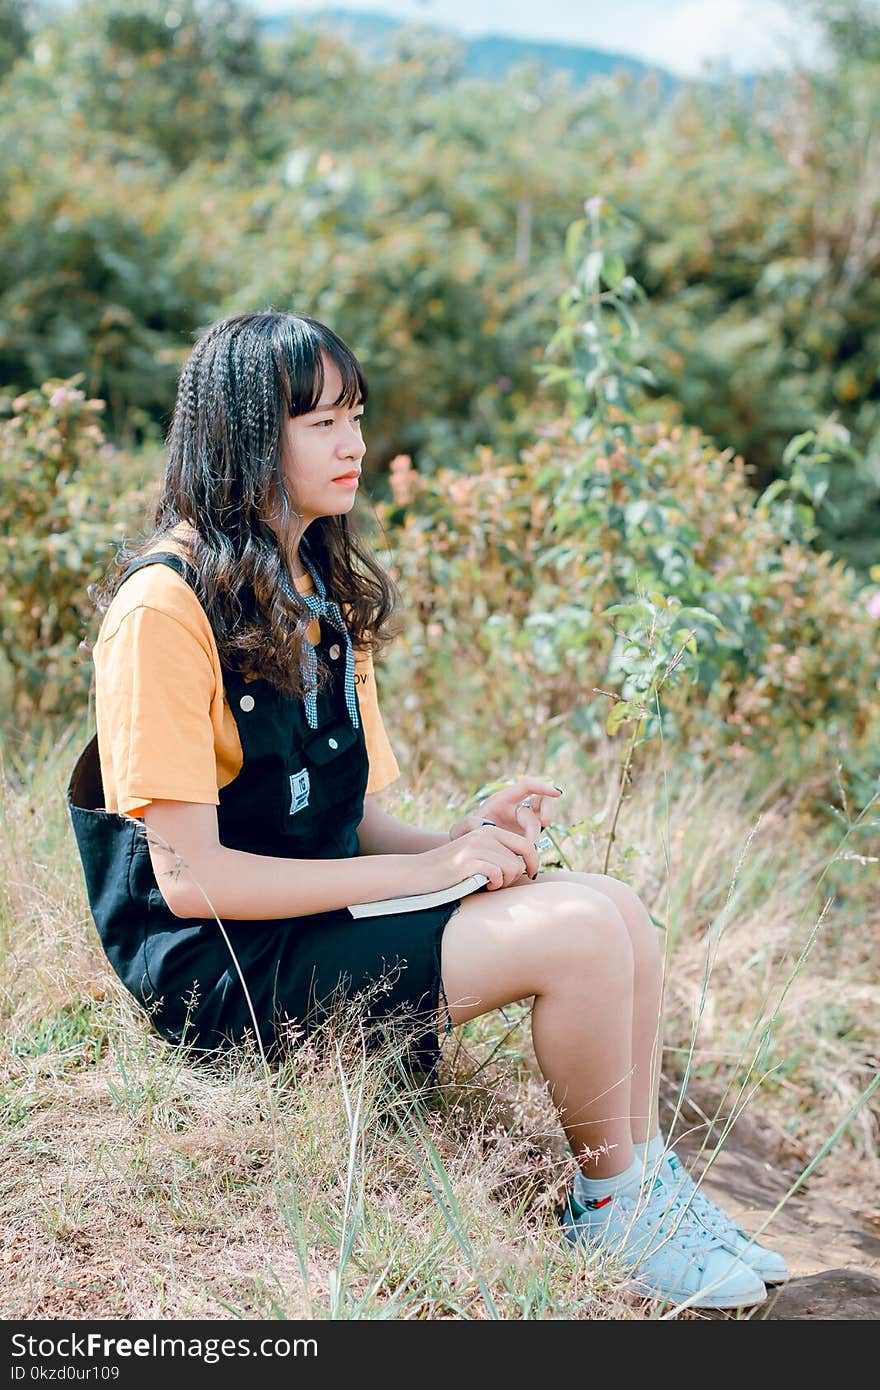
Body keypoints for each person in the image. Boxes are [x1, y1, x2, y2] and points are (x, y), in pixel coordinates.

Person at [67, 309, 788, 1313]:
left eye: (355, 413)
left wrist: (465, 842)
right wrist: (423, 876)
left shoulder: (313, 580)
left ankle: (644, 1180)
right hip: (223, 975)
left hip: (309, 927)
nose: (354, 442)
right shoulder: (164, 605)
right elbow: (191, 881)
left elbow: (346, 819)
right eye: (318, 421)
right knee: (577, 933)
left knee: (611, 903)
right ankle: (608, 1204)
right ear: (240, 432)